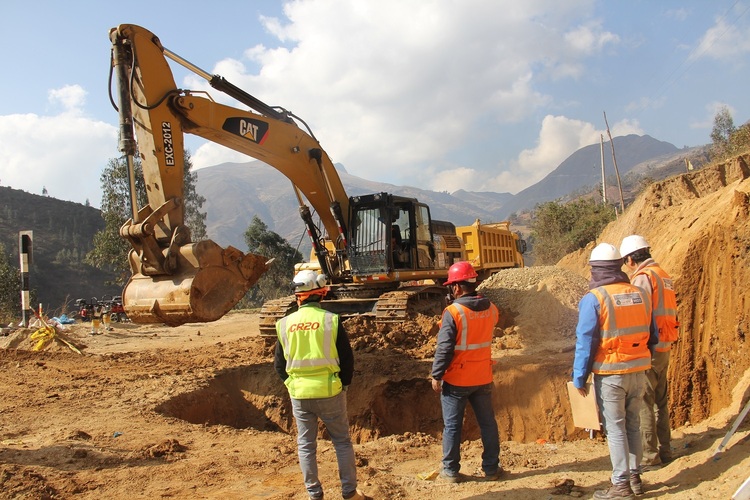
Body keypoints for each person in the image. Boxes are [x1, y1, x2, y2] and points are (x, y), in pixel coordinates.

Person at [274, 270, 370, 500]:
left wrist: (292, 384)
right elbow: (347, 360)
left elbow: (279, 364)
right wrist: (343, 385)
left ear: (299, 296)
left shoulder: (284, 324)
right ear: (322, 294)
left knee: (306, 445)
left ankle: (314, 495)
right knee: (342, 442)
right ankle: (349, 493)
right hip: (330, 391)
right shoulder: (331, 320)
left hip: (299, 393)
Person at [572, 243, 658, 499]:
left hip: (611, 374)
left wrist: (579, 376)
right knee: (632, 422)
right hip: (639, 370)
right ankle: (635, 478)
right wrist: (641, 359)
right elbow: (652, 335)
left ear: (596, 270)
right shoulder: (639, 293)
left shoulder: (595, 298)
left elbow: (585, 341)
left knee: (615, 427)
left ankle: (621, 485)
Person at [430, 261, 502, 483]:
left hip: (457, 380)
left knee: (452, 426)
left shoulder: (454, 312)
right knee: (488, 423)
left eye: (452, 286)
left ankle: (450, 471)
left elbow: (445, 348)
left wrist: (436, 374)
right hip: (482, 376)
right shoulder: (492, 308)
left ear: (458, 288)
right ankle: (491, 468)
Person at [620, 234, 679, 469]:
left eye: (626, 262)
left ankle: (649, 456)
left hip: (650, 348)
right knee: (661, 402)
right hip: (665, 344)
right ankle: (666, 450)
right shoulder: (663, 275)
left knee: (644, 402)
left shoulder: (644, 278)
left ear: (631, 259)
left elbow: (638, 313)